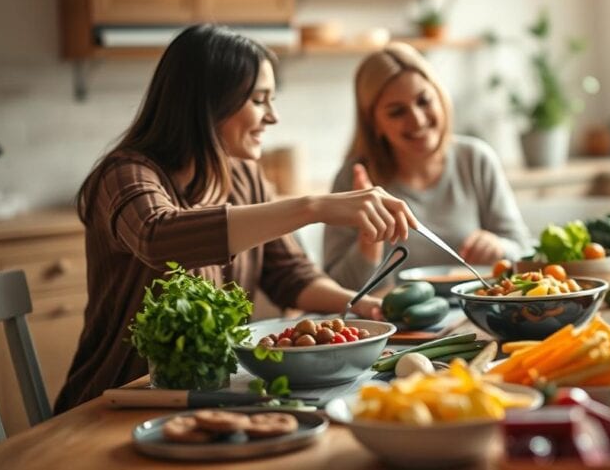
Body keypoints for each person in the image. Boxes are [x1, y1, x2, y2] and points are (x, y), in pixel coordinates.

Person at [54, 25, 417, 412]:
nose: (272, 117)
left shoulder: (244, 177)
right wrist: (312, 207)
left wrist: (358, 305)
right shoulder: (124, 174)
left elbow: (289, 275)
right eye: (259, 100)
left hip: (205, 395)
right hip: (113, 402)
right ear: (208, 104)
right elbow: (158, 238)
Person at [323, 42, 532, 290]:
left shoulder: (476, 160)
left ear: (440, 97)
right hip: (396, 324)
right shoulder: (352, 179)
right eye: (397, 111)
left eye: (424, 101)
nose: (417, 120)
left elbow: (524, 251)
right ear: (374, 124)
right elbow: (336, 288)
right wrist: (369, 242)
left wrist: (499, 247)